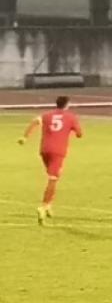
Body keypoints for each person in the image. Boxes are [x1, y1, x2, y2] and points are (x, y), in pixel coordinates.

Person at [18, 96, 83, 224]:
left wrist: (25, 137)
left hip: (44, 150)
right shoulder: (70, 117)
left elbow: (34, 122)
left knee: (54, 177)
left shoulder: (47, 115)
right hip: (58, 151)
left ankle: (48, 206)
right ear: (67, 105)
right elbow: (79, 134)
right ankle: (43, 206)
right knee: (53, 179)